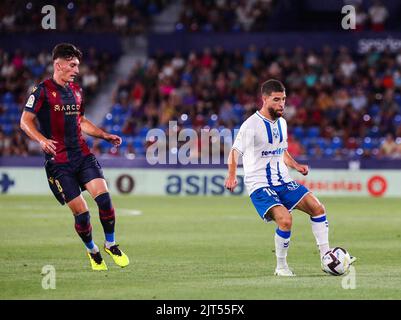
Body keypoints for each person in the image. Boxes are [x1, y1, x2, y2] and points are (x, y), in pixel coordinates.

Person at [224, 79, 355, 276]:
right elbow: (234, 152)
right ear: (265, 99)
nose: (281, 104)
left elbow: (281, 150)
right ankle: (281, 266)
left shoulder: (282, 123)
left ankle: (326, 256)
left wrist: (296, 165)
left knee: (317, 208)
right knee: (285, 220)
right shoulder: (250, 125)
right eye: (276, 100)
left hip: (283, 180)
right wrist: (232, 175)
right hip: (260, 184)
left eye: (283, 99)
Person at [20, 43, 129, 271]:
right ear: (58, 65)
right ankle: (92, 250)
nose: (77, 70)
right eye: (72, 65)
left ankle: (111, 243)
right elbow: (25, 121)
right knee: (82, 213)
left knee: (105, 199)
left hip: (82, 155)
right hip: (59, 163)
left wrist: (104, 135)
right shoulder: (41, 91)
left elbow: (81, 120)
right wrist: (41, 139)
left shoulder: (77, 91)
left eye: (77, 65)